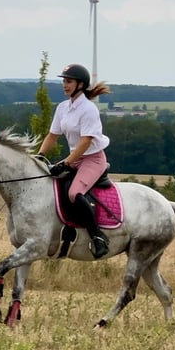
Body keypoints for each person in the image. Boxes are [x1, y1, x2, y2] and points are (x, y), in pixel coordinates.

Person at [37, 63, 111, 259]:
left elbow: (86, 141)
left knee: (74, 193)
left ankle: (98, 237)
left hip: (92, 159)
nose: (64, 85)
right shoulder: (62, 108)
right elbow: (52, 136)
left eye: (68, 81)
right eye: (63, 81)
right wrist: (40, 156)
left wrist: (66, 162)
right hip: (75, 158)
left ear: (80, 84)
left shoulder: (89, 109)